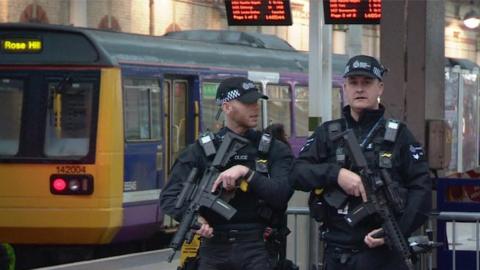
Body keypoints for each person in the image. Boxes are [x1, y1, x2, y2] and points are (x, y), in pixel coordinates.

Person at [291, 55, 431, 270]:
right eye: (353, 83)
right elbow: (297, 174)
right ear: (345, 87)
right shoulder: (327, 133)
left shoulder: (399, 135)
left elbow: (421, 190)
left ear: (380, 88)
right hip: (337, 252)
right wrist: (336, 174)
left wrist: (396, 232)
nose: (359, 89)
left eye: (366, 83)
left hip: (382, 254)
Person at [160, 77, 294, 270]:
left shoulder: (274, 149)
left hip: (258, 246)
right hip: (214, 247)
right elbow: (169, 196)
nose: (255, 107)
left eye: (256, 102)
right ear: (227, 107)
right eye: (248, 103)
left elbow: (282, 193)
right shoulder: (200, 150)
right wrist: (196, 220)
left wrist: (247, 174)